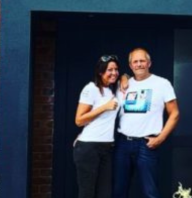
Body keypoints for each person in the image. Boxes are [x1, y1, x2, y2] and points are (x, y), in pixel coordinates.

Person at [113, 47, 180, 198]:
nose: (139, 64)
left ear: (149, 63)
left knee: (150, 193)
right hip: (123, 144)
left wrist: (160, 138)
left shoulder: (162, 83)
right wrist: (124, 77)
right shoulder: (122, 85)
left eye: (142, 61)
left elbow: (175, 113)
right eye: (135, 61)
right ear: (130, 65)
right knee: (119, 191)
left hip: (146, 144)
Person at [74, 55, 120, 198]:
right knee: (87, 193)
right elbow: (79, 120)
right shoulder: (91, 89)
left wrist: (124, 77)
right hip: (89, 147)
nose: (114, 73)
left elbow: (125, 77)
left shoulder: (112, 90)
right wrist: (104, 107)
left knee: (104, 193)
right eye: (109, 70)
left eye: (116, 69)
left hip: (107, 147)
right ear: (100, 72)